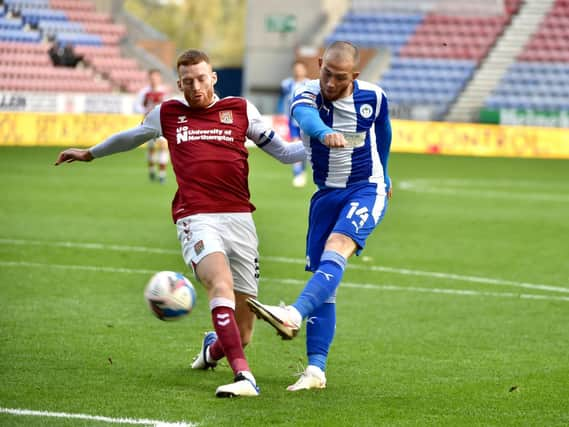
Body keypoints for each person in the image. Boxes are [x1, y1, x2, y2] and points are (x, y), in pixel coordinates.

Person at [54, 49, 306, 398]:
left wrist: (320, 143)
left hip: (240, 218)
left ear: (213, 77)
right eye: (188, 82)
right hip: (196, 215)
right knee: (220, 284)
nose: (196, 87)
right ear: (179, 83)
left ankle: (211, 350)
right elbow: (133, 135)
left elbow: (286, 153)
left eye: (202, 79)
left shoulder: (240, 110)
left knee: (243, 333)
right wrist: (90, 152)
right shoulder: (169, 113)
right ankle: (244, 377)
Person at [247, 41, 393, 391]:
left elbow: (384, 131)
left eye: (340, 77)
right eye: (326, 72)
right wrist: (323, 132)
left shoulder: (373, 97)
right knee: (325, 287)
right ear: (319, 65)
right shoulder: (306, 93)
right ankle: (315, 371)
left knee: (338, 245)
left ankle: (292, 313)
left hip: (365, 188)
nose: (330, 82)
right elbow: (305, 119)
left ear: (354, 76)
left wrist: (385, 175)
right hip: (325, 195)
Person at [134, 69, 169, 183]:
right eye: (152, 77)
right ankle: (152, 170)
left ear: (160, 78)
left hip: (162, 123)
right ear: (149, 78)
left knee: (163, 146)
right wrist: (146, 110)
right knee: (152, 148)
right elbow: (136, 106)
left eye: (156, 77)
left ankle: (162, 175)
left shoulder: (165, 92)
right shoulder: (144, 92)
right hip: (149, 123)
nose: (154, 80)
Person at [280, 60, 310, 187]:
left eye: (300, 68)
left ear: (305, 70)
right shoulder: (286, 84)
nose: (298, 71)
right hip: (292, 121)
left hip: (305, 121)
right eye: (296, 68)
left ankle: (302, 171)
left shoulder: (310, 84)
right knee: (294, 144)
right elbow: (283, 100)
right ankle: (297, 173)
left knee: (305, 147)